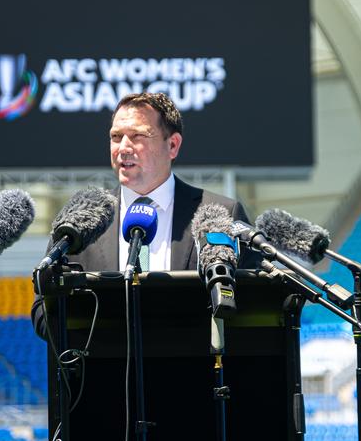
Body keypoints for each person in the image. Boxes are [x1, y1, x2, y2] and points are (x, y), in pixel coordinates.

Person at [31, 92, 255, 335]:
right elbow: (44, 309)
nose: (123, 148)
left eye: (138, 136)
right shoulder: (81, 217)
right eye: (116, 137)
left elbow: (255, 303)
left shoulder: (221, 213)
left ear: (172, 145)